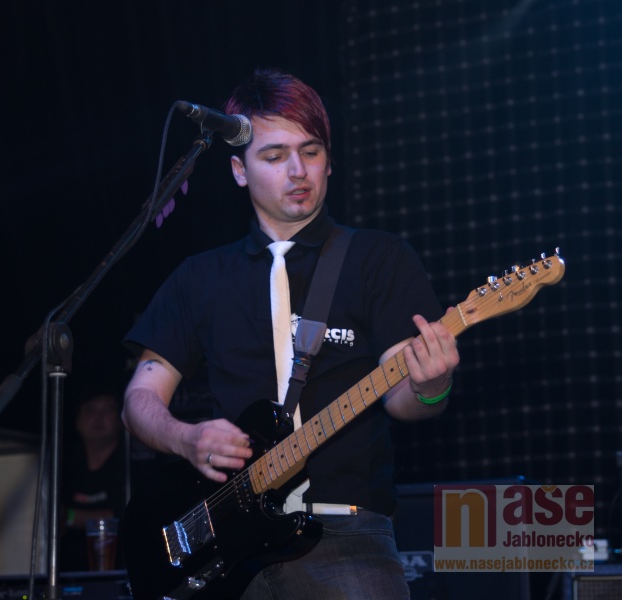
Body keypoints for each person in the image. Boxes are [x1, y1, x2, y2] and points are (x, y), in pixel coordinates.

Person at [120, 69, 459, 599]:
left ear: (330, 161)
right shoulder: (200, 277)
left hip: (348, 537)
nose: (298, 171)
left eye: (311, 152)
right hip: (229, 549)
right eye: (275, 156)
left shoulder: (379, 258)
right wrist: (186, 439)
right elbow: (139, 399)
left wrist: (431, 386)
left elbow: (404, 399)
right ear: (239, 170)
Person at [60, 387, 127, 572]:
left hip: (119, 571)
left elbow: (125, 516)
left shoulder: (132, 463)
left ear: (121, 420)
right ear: (77, 420)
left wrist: (69, 517)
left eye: (107, 409)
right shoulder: (61, 462)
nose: (98, 417)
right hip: (66, 572)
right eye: (90, 410)